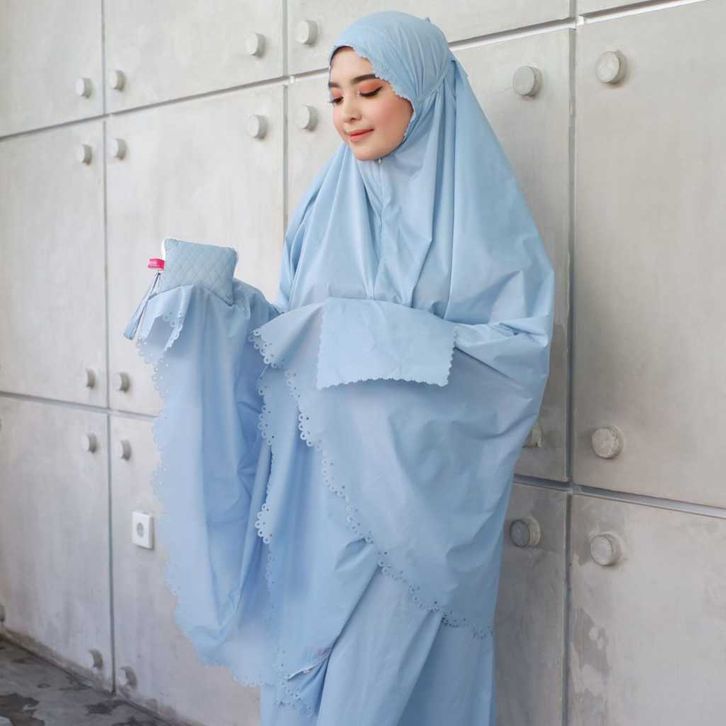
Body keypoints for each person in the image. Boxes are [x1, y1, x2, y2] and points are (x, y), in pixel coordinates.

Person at [124, 10, 555, 725]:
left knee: (378, 691)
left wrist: (352, 333)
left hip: (417, 509)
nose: (348, 112)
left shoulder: (482, 215)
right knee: (306, 685)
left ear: (422, 90)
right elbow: (290, 344)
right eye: (334, 95)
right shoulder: (325, 205)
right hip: (316, 501)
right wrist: (215, 303)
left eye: (369, 89)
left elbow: (513, 357)